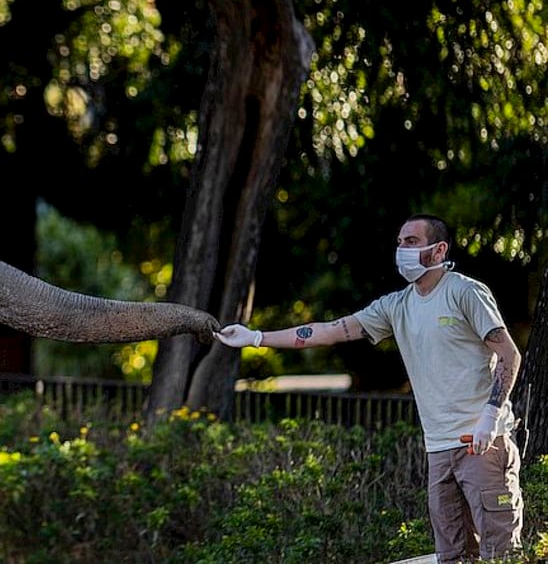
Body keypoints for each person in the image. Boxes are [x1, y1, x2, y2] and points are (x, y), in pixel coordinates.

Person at [215, 214, 523, 563]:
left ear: (438, 251)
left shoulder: (465, 292)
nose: (401, 249)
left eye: (411, 241)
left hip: (483, 444)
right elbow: (329, 331)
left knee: (500, 555)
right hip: (439, 449)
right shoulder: (396, 306)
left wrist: (490, 417)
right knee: (452, 556)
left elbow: (509, 354)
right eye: (399, 241)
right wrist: (255, 338)